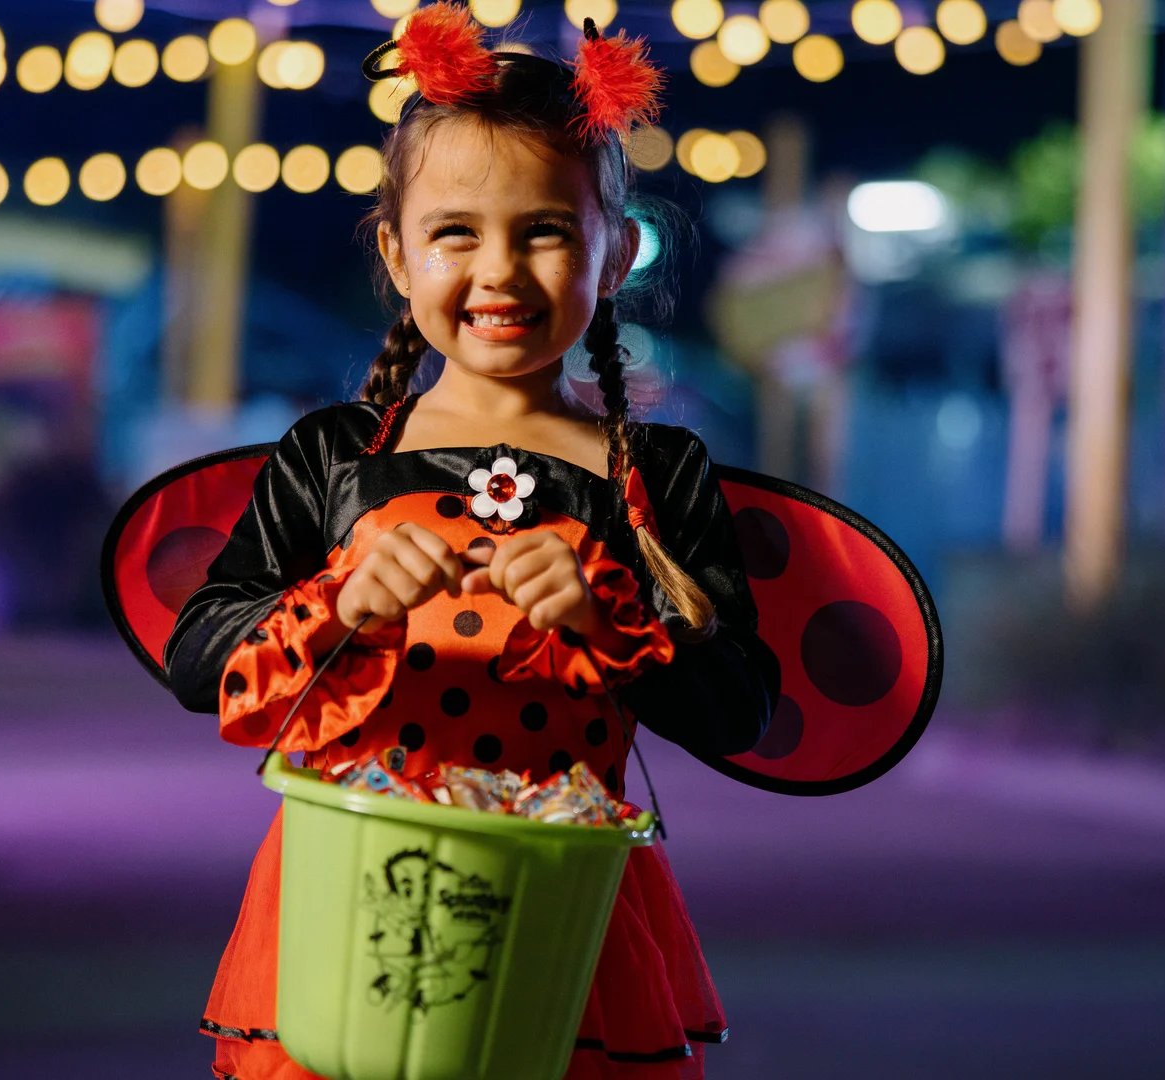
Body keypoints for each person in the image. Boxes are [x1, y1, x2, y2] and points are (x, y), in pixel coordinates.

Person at [161, 9, 775, 1077]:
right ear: (398, 254)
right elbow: (198, 659)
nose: (499, 271)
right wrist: (341, 600)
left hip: (565, 914)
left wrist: (605, 612)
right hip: (348, 905)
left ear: (614, 251)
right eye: (456, 232)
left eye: (543, 230)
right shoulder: (334, 454)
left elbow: (742, 706)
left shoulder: (656, 476)